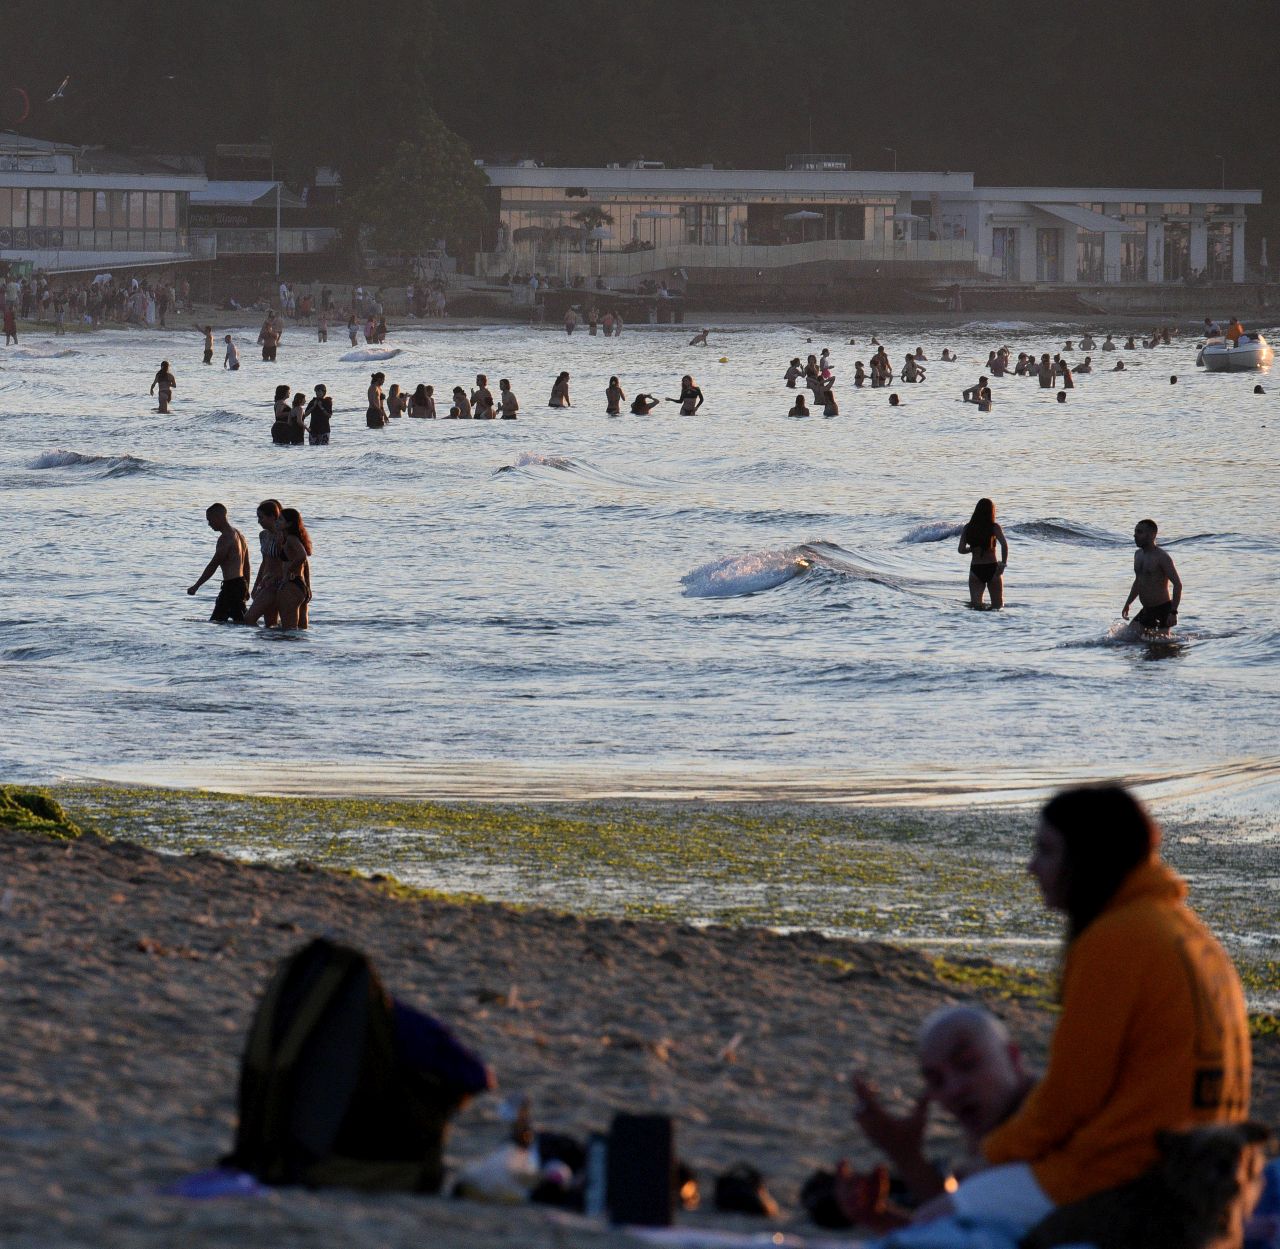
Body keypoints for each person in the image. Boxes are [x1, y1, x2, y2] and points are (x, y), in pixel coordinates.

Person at [935, 786, 1250, 1230]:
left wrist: (989, 1155)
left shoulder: (1115, 940)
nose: (1031, 868)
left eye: (1045, 851)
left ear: (1088, 859)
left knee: (939, 1216)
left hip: (1139, 1178)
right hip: (1216, 1176)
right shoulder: (1189, 933)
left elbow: (1070, 1099)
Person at [852, 1006, 1035, 1206]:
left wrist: (907, 1158)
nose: (954, 1089)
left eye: (967, 1064)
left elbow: (964, 1212)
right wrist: (879, 1218)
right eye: (936, 1080)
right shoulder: (995, 1130)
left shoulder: (1049, 1129)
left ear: (1013, 1057)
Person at [187, 503, 251, 622]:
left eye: (210, 519)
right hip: (240, 584)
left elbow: (213, 565)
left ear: (219, 517)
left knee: (217, 621)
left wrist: (196, 586)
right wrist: (247, 586)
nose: (209, 524)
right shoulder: (239, 534)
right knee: (241, 621)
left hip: (231, 587)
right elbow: (246, 565)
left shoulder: (225, 538)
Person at [1122, 518, 1182, 631]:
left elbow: (1178, 584)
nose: (1135, 535)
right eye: (1135, 532)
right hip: (1146, 609)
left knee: (1160, 647)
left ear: (1152, 535)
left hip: (1162, 610)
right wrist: (1128, 603)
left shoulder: (1162, 557)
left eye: (1139, 532)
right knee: (1126, 639)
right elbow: (1138, 581)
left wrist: (1173, 612)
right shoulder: (1138, 555)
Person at [958, 497, 1008, 609]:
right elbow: (1004, 545)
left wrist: (971, 549)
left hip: (976, 569)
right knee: (998, 606)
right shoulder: (994, 527)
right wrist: (1003, 564)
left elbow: (961, 549)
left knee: (976, 606)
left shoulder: (968, 528)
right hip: (993, 569)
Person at [243, 499, 284, 627]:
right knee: (270, 624)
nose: (259, 521)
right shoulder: (263, 535)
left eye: (261, 518)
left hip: (278, 582)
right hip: (266, 582)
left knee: (249, 618)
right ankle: (268, 647)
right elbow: (264, 562)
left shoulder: (282, 536)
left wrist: (277, 576)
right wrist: (256, 585)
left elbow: (289, 560)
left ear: (272, 517)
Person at [276, 508, 313, 631]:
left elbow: (302, 556)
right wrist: (308, 586)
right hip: (299, 584)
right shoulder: (289, 539)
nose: (277, 521)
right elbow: (305, 563)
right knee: (301, 630)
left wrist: (287, 573)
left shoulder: (291, 539)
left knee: (289, 630)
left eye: (280, 519)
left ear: (289, 524)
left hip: (291, 585)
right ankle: (301, 651)